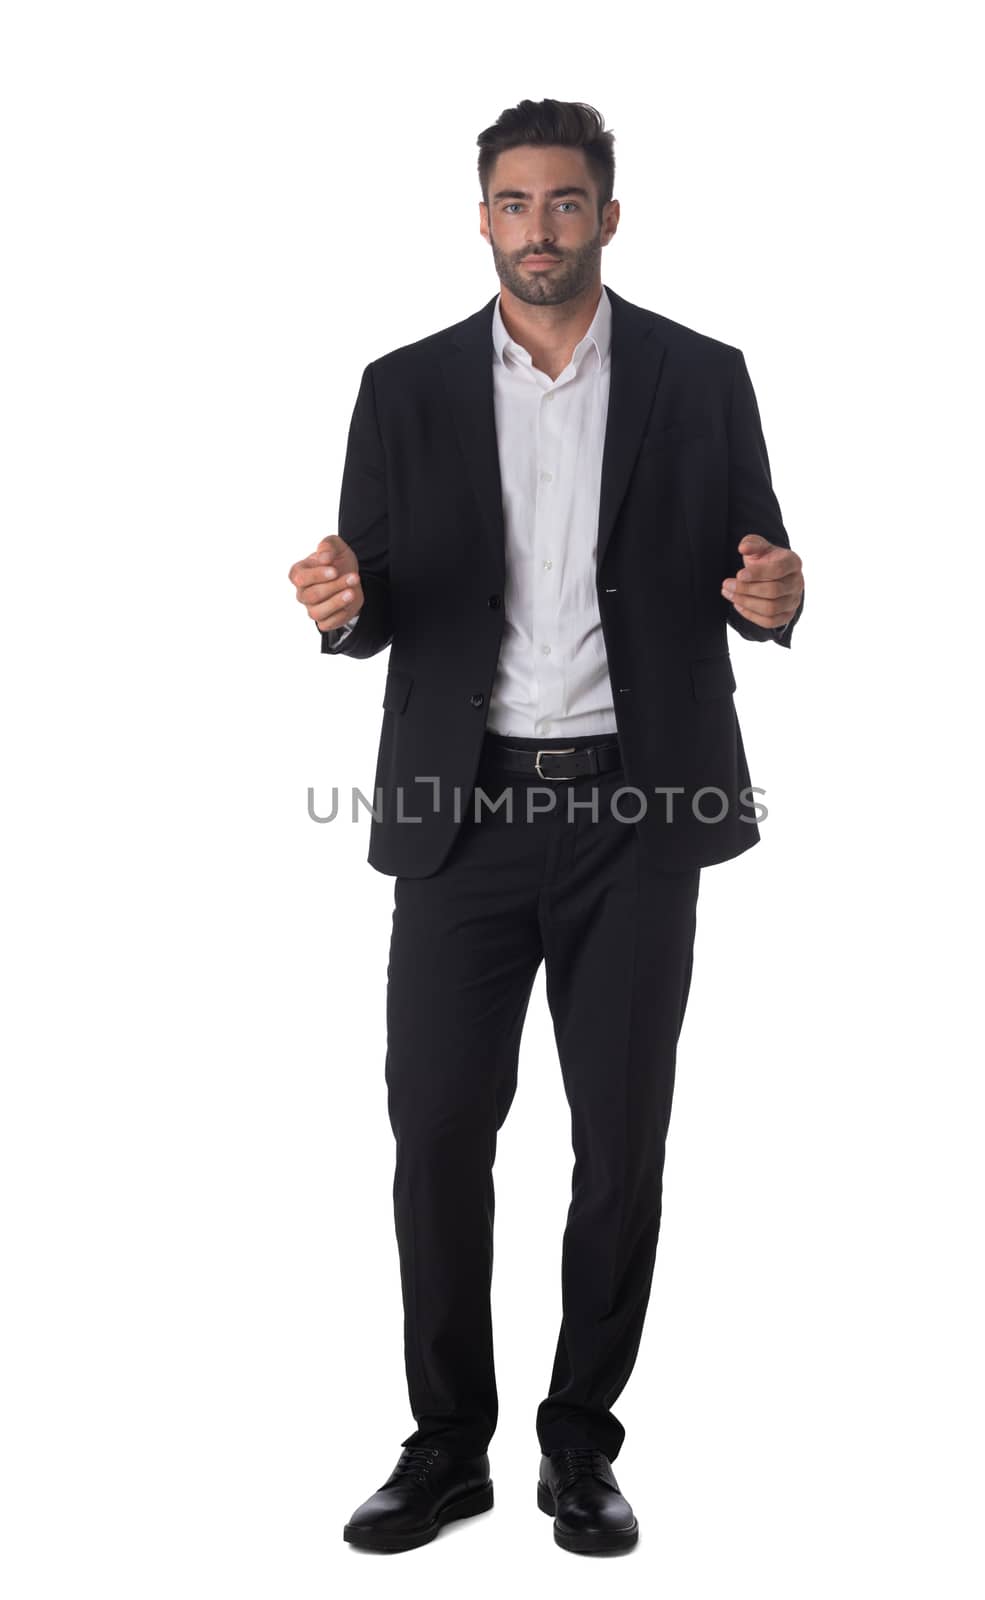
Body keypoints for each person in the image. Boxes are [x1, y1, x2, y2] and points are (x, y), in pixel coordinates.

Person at [289, 97, 804, 1557]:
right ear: (482, 220)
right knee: (439, 1131)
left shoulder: (703, 379)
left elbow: (759, 564)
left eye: (567, 202)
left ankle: (580, 1442)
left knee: (622, 1142)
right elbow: (375, 593)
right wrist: (345, 608)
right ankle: (447, 1443)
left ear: (608, 217)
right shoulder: (403, 390)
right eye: (514, 203)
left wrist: (777, 595)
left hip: (644, 812)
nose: (541, 228)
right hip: (462, 819)